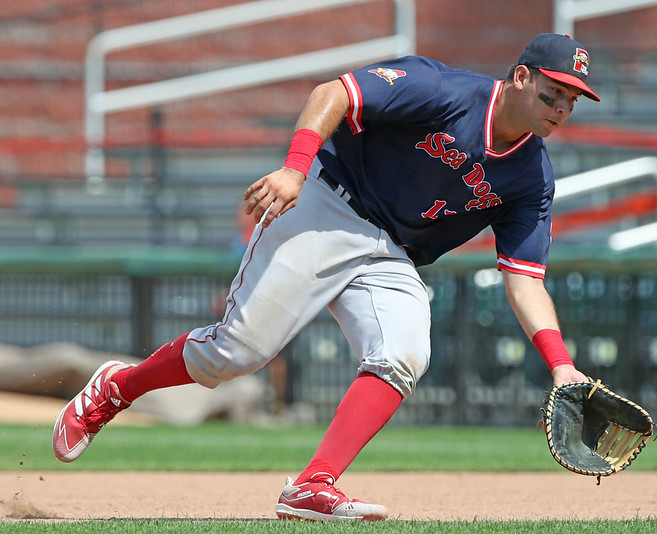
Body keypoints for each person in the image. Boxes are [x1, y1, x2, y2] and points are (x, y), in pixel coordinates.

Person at [53, 33, 596, 521]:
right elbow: (332, 93)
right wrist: (294, 167)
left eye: (571, 101)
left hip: (390, 251)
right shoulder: (443, 89)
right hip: (327, 201)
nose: (560, 108)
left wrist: (562, 366)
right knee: (235, 355)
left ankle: (314, 484)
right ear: (520, 77)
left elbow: (525, 279)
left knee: (405, 352)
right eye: (553, 93)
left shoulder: (531, 177)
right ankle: (117, 388)